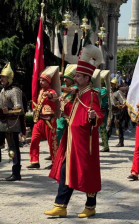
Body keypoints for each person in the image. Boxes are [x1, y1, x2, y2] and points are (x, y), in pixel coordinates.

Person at [45, 44, 104, 218]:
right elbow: (71, 111)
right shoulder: (78, 94)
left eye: (78, 76)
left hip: (85, 143)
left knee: (87, 173)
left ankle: (90, 206)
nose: (75, 78)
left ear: (87, 78)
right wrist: (59, 102)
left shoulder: (91, 95)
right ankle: (60, 206)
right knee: (66, 171)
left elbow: (98, 115)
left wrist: (94, 116)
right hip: (71, 140)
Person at [28, 66, 60, 170]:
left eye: (43, 80)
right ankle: (34, 161)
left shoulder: (51, 91)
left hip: (49, 120)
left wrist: (49, 95)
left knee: (52, 142)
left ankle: (55, 162)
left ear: (48, 81)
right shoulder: (40, 91)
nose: (41, 82)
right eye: (40, 80)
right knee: (34, 139)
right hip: (39, 119)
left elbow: (55, 97)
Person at [56, 64, 77, 147]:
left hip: (71, 114)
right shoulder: (63, 86)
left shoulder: (76, 87)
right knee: (58, 131)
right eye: (64, 77)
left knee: (70, 134)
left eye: (67, 78)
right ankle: (55, 152)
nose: (64, 79)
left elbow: (70, 90)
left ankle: (68, 153)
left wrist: (57, 86)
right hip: (61, 113)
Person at [98, 70, 111, 152]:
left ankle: (106, 146)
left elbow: (101, 95)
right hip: (97, 111)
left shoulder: (103, 89)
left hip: (102, 111)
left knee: (102, 129)